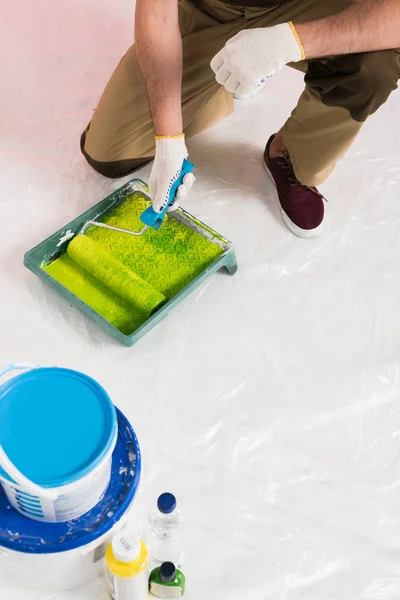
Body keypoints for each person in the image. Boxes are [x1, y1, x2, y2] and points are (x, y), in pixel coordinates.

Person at [81, 0, 400, 239]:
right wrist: (168, 140)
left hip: (311, 7)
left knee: (374, 66)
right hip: (210, 9)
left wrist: (287, 42)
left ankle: (288, 153)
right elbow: (157, 12)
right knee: (108, 153)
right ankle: (225, 77)